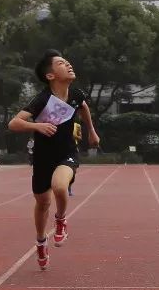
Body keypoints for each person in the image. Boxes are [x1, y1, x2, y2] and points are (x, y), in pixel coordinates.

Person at [8, 50, 99, 271]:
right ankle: (41, 241)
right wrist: (36, 126)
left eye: (68, 61)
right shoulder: (42, 100)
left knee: (60, 186)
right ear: (50, 75)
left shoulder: (76, 95)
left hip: (66, 153)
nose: (68, 64)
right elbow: (13, 123)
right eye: (61, 63)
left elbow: (84, 107)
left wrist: (91, 132)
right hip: (42, 158)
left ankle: (60, 220)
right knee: (42, 203)